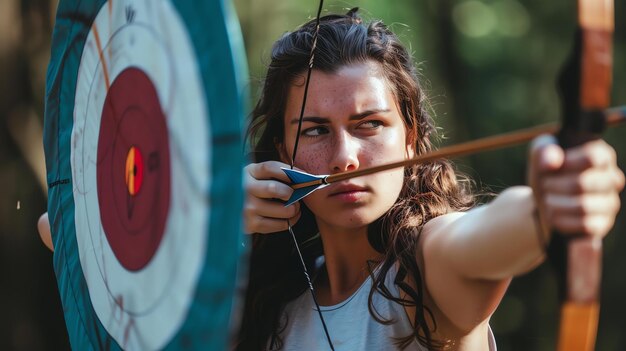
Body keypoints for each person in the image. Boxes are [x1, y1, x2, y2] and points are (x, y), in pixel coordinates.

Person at [236, 8, 624, 351]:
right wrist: (215, 234)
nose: (344, 159)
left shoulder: (428, 267)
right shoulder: (262, 299)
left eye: (370, 124)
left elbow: (482, 235)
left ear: (410, 141)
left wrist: (544, 208)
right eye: (315, 130)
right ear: (283, 153)